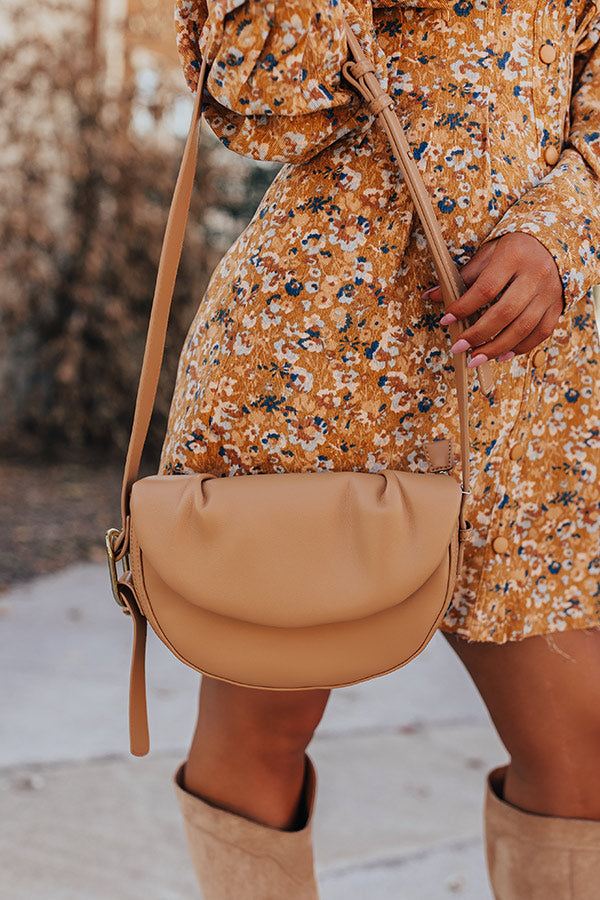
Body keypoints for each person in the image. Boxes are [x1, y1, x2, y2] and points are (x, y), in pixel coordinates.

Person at [160, 1, 600, 896]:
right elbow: (260, 101)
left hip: (526, 384)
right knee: (262, 726)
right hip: (320, 370)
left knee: (580, 753)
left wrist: (560, 235)